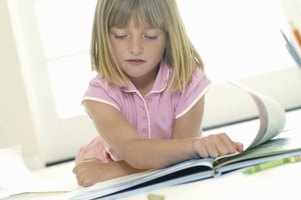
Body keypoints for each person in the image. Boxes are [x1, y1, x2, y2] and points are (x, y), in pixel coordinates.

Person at [73, 0, 244, 187]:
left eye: (150, 36)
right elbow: (136, 152)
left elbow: (180, 160)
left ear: (169, 36)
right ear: (104, 37)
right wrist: (196, 146)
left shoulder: (189, 80)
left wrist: (112, 171)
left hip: (114, 167)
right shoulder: (99, 95)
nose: (135, 48)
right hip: (107, 158)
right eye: (120, 36)